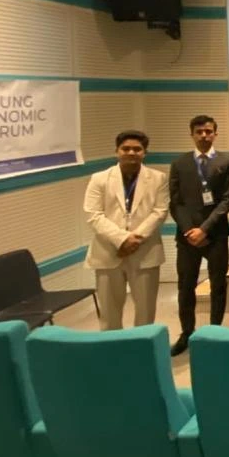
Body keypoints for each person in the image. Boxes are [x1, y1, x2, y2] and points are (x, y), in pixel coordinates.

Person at [83, 130, 169, 330]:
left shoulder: (158, 178)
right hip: (108, 252)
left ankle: (143, 346)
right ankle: (112, 347)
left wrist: (135, 240)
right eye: (126, 148)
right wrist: (121, 240)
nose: (131, 153)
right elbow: (93, 214)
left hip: (145, 252)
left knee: (145, 313)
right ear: (117, 151)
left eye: (137, 149)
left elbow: (160, 211)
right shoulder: (99, 179)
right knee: (109, 314)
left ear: (144, 153)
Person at [168, 115, 229, 355]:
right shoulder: (179, 163)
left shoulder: (227, 161)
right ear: (192, 134)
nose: (204, 135)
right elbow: (175, 202)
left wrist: (205, 229)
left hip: (215, 235)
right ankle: (187, 333)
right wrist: (190, 230)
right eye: (199, 132)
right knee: (185, 286)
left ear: (215, 134)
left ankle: (215, 332)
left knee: (218, 285)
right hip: (187, 236)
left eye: (208, 131)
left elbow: (227, 200)